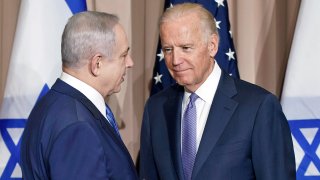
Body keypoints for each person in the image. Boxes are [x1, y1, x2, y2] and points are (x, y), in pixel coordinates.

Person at [140, 3, 296, 180]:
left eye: (186, 48)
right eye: (168, 49)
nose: (175, 60)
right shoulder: (156, 109)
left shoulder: (259, 107)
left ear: (212, 46)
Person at [20, 11, 138, 179]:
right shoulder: (78, 127)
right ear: (97, 64)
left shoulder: (50, 104)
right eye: (124, 55)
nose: (130, 63)